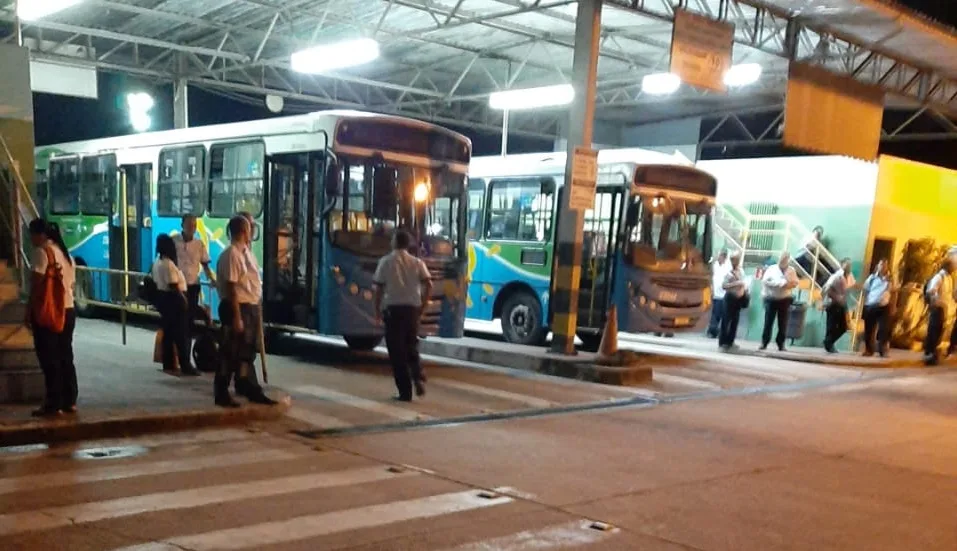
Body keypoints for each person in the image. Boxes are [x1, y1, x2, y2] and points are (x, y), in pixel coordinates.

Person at [215, 215, 276, 407]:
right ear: (243, 231)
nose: (252, 232)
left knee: (246, 352)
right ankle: (221, 392)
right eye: (250, 228)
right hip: (237, 307)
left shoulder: (246, 253)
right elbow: (232, 287)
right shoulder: (231, 254)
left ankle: (248, 386)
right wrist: (237, 317)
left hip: (249, 307)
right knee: (230, 352)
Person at [26, 219, 77, 417]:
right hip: (68, 309)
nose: (30, 239)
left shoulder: (42, 252)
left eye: (32, 234)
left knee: (49, 357)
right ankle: (69, 400)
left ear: (40, 234)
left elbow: (37, 284)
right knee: (65, 355)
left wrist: (29, 309)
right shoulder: (66, 254)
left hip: (50, 311)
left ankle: (53, 402)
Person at [373, 230, 432, 401]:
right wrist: (423, 305)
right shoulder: (417, 262)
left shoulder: (385, 262)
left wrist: (377, 311)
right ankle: (418, 375)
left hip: (393, 311)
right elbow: (429, 284)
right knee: (411, 345)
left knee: (397, 352)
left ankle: (405, 392)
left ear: (393, 243)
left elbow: (378, 289)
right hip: (412, 309)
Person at [151, 234, 198, 376]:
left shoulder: (156, 263)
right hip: (174, 301)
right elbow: (174, 285)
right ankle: (185, 364)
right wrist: (184, 300)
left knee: (169, 334)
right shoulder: (168, 265)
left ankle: (169, 362)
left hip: (163, 300)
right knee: (180, 334)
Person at [173, 214, 215, 356]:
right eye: (189, 224)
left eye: (194, 225)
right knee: (178, 321)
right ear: (182, 225)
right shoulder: (174, 241)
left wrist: (212, 279)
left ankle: (185, 353)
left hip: (192, 286)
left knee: (189, 321)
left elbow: (205, 264)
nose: (192, 227)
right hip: (177, 287)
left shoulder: (199, 244)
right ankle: (179, 354)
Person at [922, 248, 957, 366]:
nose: (955, 267)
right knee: (933, 332)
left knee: (938, 332)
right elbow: (931, 290)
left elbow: (950, 294)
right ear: (947, 266)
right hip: (937, 308)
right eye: (953, 265)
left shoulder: (949, 278)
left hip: (944, 309)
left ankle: (933, 354)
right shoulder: (939, 277)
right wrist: (935, 302)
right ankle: (929, 354)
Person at [760, 252, 799, 352]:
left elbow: (795, 282)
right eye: (782, 259)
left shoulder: (791, 270)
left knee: (783, 323)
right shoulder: (772, 269)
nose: (783, 261)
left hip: (784, 299)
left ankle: (781, 344)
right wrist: (777, 284)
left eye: (786, 259)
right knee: (768, 322)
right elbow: (765, 281)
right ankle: (764, 342)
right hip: (771, 298)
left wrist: (789, 284)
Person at [822, 258, 856, 353]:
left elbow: (853, 285)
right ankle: (829, 345)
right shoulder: (836, 276)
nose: (848, 266)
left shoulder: (849, 276)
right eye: (846, 264)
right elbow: (827, 288)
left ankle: (828, 342)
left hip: (842, 304)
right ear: (841, 265)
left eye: (850, 265)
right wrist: (836, 297)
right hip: (833, 304)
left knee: (844, 327)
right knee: (831, 326)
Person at [861, 259, 893, 357]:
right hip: (870, 305)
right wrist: (865, 302)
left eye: (885, 265)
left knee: (884, 328)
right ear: (877, 266)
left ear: (887, 267)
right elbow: (865, 289)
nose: (883, 267)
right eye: (881, 265)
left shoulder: (889, 279)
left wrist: (893, 306)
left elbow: (892, 291)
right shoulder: (872, 278)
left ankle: (882, 350)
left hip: (883, 306)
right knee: (869, 329)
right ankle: (869, 350)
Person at [719, 252, 747, 351]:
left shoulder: (741, 271)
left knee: (735, 321)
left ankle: (730, 341)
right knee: (726, 321)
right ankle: (722, 343)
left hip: (738, 299)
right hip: (730, 298)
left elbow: (743, 282)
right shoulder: (728, 271)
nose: (736, 261)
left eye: (737, 259)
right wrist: (736, 284)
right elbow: (723, 286)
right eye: (734, 259)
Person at [707, 249, 730, 338]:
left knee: (718, 313)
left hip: (722, 294)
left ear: (724, 257)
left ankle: (713, 330)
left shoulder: (727, 267)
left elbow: (729, 278)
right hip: (713, 292)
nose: (718, 257)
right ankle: (712, 330)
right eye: (718, 255)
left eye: (720, 256)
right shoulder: (714, 265)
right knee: (713, 313)